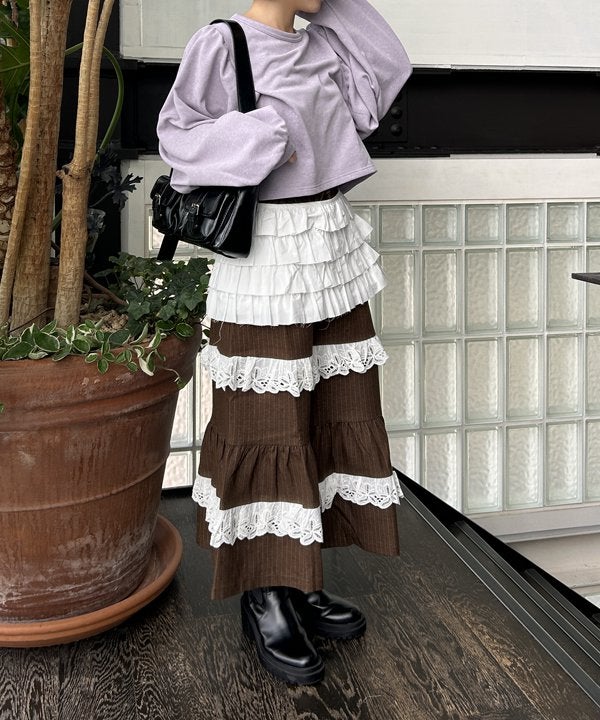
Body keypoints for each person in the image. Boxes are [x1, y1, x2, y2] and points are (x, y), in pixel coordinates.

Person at [157, 0, 412, 686]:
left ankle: (299, 578)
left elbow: (387, 68)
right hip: (266, 258)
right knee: (264, 421)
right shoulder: (223, 43)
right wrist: (259, 135)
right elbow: (178, 137)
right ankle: (264, 594)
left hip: (330, 248)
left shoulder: (320, 46)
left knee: (331, 410)